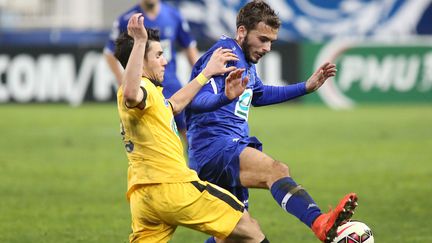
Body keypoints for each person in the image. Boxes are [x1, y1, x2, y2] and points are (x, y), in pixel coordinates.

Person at [185, 1, 358, 242]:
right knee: (275, 170)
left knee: (241, 234)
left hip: (219, 152)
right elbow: (196, 99)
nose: (267, 48)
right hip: (215, 150)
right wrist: (224, 96)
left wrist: (305, 87)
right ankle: (319, 222)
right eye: (263, 39)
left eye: (271, 42)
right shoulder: (227, 55)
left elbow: (260, 94)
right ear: (242, 32)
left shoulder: (245, 61)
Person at [115, 13, 270, 243]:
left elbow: (175, 105)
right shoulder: (137, 90)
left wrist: (207, 73)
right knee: (248, 227)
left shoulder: (152, 95)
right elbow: (130, 92)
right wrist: (139, 42)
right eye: (158, 55)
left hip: (143, 197)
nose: (165, 61)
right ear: (140, 61)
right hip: (173, 188)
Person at [106, 0, 199, 142]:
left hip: (172, 86)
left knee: (190, 135)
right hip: (144, 88)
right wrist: (122, 80)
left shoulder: (174, 15)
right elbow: (109, 52)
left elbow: (189, 47)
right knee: (153, 139)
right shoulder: (129, 20)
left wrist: (199, 74)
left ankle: (191, 163)